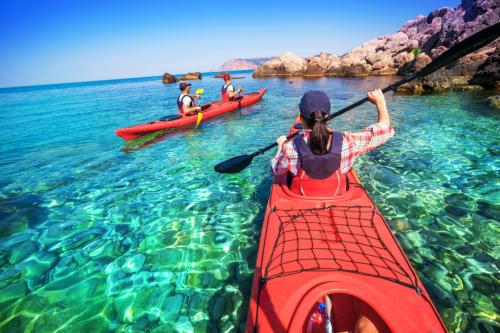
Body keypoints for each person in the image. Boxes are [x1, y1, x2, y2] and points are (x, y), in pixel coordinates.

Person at [272, 89, 394, 197]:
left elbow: (277, 169)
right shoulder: (348, 141)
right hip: (337, 197)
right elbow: (385, 130)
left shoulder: (290, 147)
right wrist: (380, 103)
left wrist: (280, 146)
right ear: (329, 116)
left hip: (301, 198)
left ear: (301, 118)